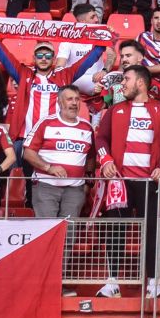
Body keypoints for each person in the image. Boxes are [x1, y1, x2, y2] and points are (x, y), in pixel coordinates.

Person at [93, 65, 160, 299]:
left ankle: (153, 283)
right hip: (120, 183)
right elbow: (100, 138)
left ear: (141, 82)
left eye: (127, 79)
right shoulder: (116, 109)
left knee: (152, 231)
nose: (123, 85)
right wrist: (106, 160)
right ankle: (112, 282)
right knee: (114, 230)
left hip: (150, 182)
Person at [24, 84, 96, 219]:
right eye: (69, 99)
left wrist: (88, 182)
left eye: (77, 99)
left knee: (69, 233)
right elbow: (28, 153)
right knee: (47, 231)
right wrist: (48, 167)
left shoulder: (87, 127)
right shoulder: (45, 123)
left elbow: (91, 157)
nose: (74, 103)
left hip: (75, 189)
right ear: (59, 102)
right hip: (46, 186)